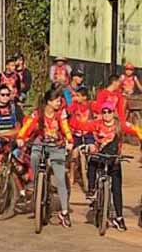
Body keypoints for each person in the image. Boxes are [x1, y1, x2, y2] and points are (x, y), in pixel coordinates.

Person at [70, 99, 142, 231]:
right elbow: (80, 126)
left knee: (116, 189)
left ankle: (119, 218)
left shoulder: (120, 125)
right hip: (100, 157)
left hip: (114, 159)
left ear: (113, 112)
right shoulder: (96, 124)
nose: (107, 114)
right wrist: (72, 114)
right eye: (104, 112)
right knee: (92, 160)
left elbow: (136, 130)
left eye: (109, 111)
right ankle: (91, 190)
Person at [17, 87, 74, 228]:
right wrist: (20, 137)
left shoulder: (61, 114)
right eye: (56, 101)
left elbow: (66, 128)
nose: (58, 103)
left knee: (60, 178)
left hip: (57, 147)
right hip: (40, 144)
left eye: (59, 101)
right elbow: (27, 126)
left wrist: (70, 141)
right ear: (48, 101)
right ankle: (37, 183)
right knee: (35, 157)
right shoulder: (38, 113)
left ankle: (65, 212)